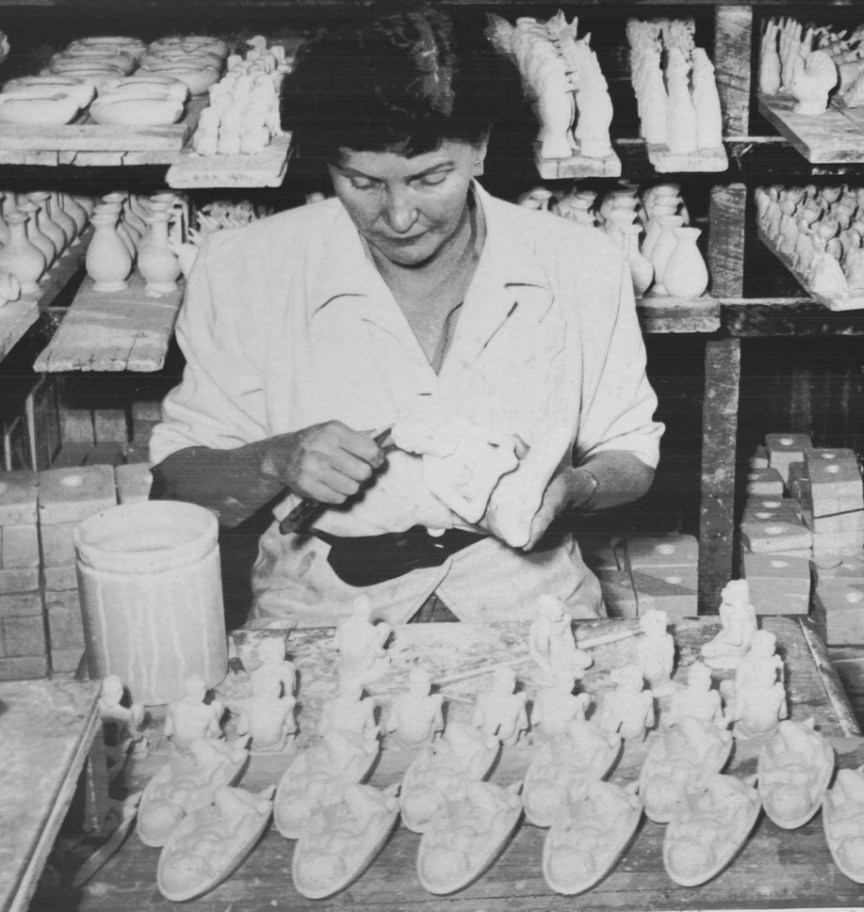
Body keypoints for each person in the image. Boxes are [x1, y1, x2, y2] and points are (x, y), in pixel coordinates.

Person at [149, 9, 663, 627]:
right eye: (361, 181)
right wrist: (273, 459)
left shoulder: (579, 264)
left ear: (480, 147)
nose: (397, 217)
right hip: (321, 606)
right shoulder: (247, 268)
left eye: (429, 178)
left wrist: (575, 487)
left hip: (528, 599)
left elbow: (629, 451)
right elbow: (179, 479)